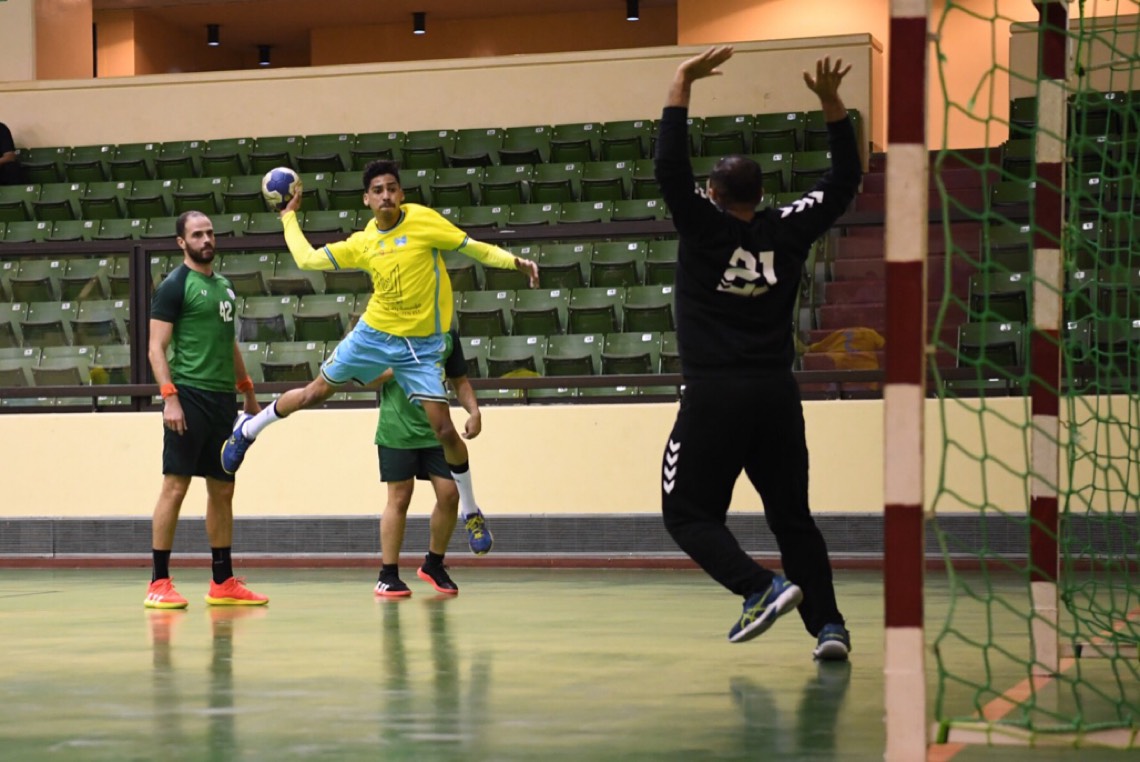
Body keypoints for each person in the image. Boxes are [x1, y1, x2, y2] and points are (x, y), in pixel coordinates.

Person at [655, 47, 861, 660]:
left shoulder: (702, 224)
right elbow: (843, 182)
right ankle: (829, 627)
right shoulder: (787, 228)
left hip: (714, 395)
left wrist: (681, 82)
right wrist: (831, 105)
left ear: (712, 192)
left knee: (687, 514)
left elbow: (669, 167)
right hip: (776, 396)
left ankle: (759, 587)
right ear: (763, 193)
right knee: (792, 517)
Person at [220, 160, 536, 553]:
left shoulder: (423, 221)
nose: (385, 195)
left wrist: (513, 262)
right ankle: (248, 429)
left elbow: (473, 247)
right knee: (315, 392)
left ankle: (471, 511)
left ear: (401, 194)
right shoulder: (364, 242)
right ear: (367, 199)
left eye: (391, 188)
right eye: (377, 190)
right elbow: (308, 260)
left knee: (444, 430)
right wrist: (288, 217)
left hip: (421, 345)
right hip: (374, 335)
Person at [145, 210, 269, 609]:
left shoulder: (225, 287)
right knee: (176, 486)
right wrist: (170, 398)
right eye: (197, 235)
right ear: (182, 242)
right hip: (188, 396)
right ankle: (158, 582)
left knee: (223, 488)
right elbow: (155, 348)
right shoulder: (174, 286)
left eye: (210, 233)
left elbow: (227, 342)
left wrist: (248, 392)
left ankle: (222, 581)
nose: (206, 240)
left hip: (222, 401)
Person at [372, 328, 484, 598]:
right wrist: (401, 365)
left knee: (450, 494)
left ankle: (433, 564)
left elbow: (459, 380)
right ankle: (388, 575)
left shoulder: (447, 334)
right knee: (399, 498)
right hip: (396, 430)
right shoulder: (389, 330)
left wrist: (474, 411)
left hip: (437, 430)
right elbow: (366, 378)